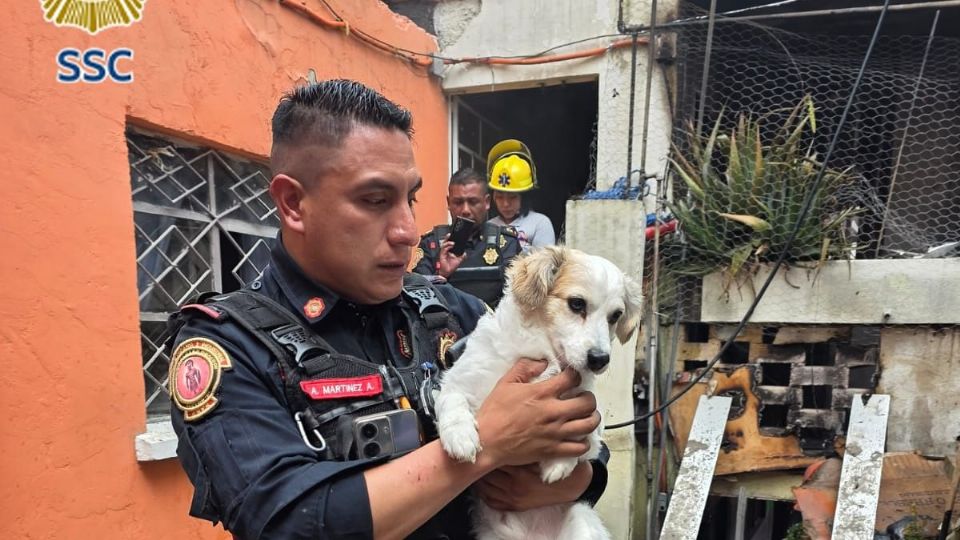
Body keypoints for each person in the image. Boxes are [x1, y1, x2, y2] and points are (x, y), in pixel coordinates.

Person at [166, 79, 607, 540]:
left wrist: (571, 479)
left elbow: (583, 448)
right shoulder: (230, 345)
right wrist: (489, 447)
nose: (409, 231)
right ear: (294, 203)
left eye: (411, 198)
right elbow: (286, 523)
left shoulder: (453, 311)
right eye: (376, 200)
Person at [412, 167, 522, 307]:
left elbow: (518, 299)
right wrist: (441, 275)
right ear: (449, 203)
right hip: (447, 325)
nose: (465, 210)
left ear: (487, 202)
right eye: (458, 202)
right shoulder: (431, 243)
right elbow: (415, 297)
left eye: (473, 202)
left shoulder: (506, 242)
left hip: (493, 324)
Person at [486, 139, 557, 251]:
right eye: (499, 197)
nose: (505, 204)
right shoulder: (488, 226)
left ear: (524, 197)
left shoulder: (540, 224)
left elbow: (544, 265)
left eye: (512, 197)